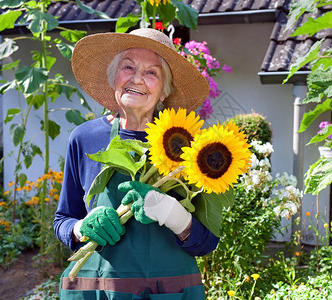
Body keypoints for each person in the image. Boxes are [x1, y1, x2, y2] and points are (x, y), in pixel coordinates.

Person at [53, 28, 219, 299]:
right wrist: (80, 228)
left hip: (168, 292)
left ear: (165, 91)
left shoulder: (191, 147)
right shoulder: (84, 138)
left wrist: (170, 213)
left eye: (151, 72)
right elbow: (63, 220)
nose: (137, 78)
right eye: (128, 67)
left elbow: (206, 242)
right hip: (97, 291)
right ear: (113, 78)